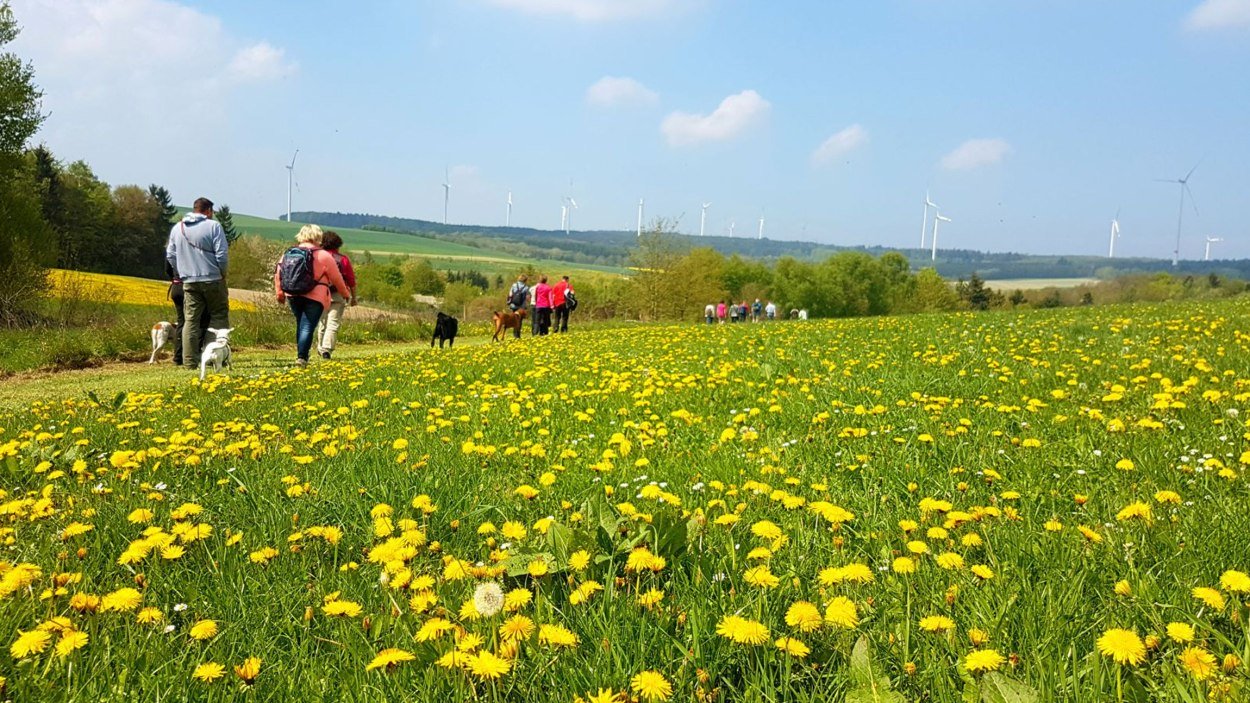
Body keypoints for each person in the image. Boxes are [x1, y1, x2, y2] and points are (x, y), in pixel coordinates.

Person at [166, 197, 229, 371]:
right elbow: (222, 255)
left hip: (189, 281)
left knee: (191, 321)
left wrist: (182, 271)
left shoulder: (177, 228)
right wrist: (222, 273)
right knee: (218, 316)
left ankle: (189, 362)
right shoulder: (214, 226)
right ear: (208, 211)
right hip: (213, 279)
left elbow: (170, 255)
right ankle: (213, 357)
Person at [273, 224, 351, 367]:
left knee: (301, 324)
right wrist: (345, 293)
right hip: (315, 296)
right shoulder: (323, 255)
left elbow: (278, 273)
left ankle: (301, 354)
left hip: (293, 294)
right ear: (317, 237)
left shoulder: (288, 253)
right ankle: (302, 357)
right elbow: (337, 278)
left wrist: (279, 293)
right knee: (307, 326)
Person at [315, 231, 357, 360]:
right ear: (338, 244)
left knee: (322, 323)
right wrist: (354, 297)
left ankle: (321, 348)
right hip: (338, 293)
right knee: (333, 323)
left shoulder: (317, 257)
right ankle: (326, 349)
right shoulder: (342, 259)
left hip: (320, 293)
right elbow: (351, 280)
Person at [165, 259, 209, 366]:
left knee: (182, 322)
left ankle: (178, 357)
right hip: (190, 286)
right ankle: (195, 354)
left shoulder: (172, 246)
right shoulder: (192, 247)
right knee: (200, 321)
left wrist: (175, 278)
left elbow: (167, 269)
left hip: (176, 287)